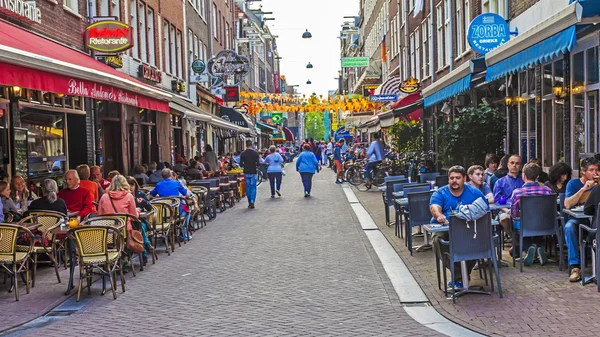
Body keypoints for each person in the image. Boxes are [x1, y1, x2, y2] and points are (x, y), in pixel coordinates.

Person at [430, 166, 488, 289]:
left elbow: (485, 210)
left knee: (477, 241)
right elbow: (434, 207)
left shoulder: (475, 193)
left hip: (469, 229)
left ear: (464, 179)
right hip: (445, 228)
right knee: (437, 240)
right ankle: (460, 276)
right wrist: (439, 215)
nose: (454, 181)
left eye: (458, 178)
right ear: (448, 180)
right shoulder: (440, 192)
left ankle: (459, 278)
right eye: (451, 178)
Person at [509, 163, 554, 265]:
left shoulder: (518, 193)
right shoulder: (547, 191)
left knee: (514, 224)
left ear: (523, 176)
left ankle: (530, 248)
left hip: (526, 225)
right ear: (537, 177)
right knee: (536, 224)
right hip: (545, 224)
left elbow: (514, 213)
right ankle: (538, 248)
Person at [564, 157, 600, 282]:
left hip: (596, 220)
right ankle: (575, 267)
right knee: (569, 227)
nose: (595, 173)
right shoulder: (573, 184)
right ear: (583, 172)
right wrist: (583, 189)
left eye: (597, 170)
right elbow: (567, 204)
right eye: (592, 170)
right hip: (579, 220)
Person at [148, 168, 193, 239]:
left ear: (162, 176)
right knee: (188, 210)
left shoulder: (158, 184)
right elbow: (186, 194)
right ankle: (183, 232)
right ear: (170, 175)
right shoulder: (176, 183)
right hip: (176, 211)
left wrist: (159, 198)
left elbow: (151, 195)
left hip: (163, 212)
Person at [493, 155, 524, 238]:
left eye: (517, 163)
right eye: (512, 163)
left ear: (520, 166)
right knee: (504, 218)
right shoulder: (499, 182)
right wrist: (506, 210)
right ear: (508, 165)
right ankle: (516, 241)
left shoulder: (524, 180)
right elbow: (496, 201)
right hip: (505, 210)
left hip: (523, 211)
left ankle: (520, 244)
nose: (514, 165)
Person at [126, 177, 154, 263]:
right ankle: (146, 246)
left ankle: (144, 253)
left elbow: (150, 207)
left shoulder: (141, 195)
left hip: (141, 221)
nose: (130, 187)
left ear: (135, 185)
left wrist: (144, 202)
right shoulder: (125, 196)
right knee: (139, 229)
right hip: (130, 223)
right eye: (128, 185)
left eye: (132, 185)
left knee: (140, 227)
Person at [239, 140, 260, 209]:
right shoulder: (255, 153)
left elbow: (241, 164)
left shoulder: (243, 153)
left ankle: (249, 202)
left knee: (248, 187)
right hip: (253, 172)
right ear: (252, 145)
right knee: (253, 187)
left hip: (246, 172)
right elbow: (258, 163)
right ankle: (252, 201)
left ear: (246, 145)